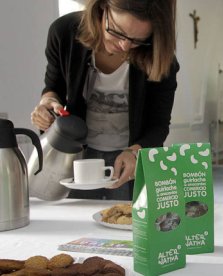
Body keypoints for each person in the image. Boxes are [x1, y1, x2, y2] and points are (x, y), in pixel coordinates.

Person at [30, 0, 179, 200]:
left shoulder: (160, 58)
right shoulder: (64, 32)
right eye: (117, 32)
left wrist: (135, 153)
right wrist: (46, 103)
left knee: (125, 223)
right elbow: (53, 87)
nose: (125, 45)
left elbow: (158, 124)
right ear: (101, 9)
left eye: (138, 40)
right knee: (74, 220)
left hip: (128, 157)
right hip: (77, 155)